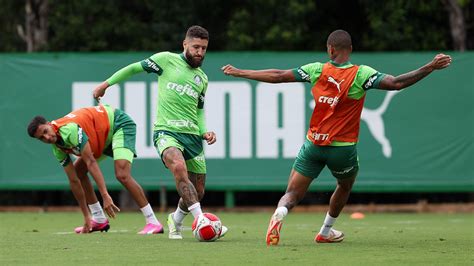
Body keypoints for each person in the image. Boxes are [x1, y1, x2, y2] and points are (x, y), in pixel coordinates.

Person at [222, 29, 452, 245]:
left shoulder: (317, 70)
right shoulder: (361, 74)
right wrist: (430, 66)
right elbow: (396, 83)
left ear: (330, 50)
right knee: (345, 184)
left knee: (292, 193)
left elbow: (279, 75)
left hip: (314, 144)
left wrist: (241, 72)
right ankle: (325, 232)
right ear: (349, 49)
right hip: (342, 149)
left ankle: (280, 212)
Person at [93, 25, 227, 240]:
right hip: (166, 131)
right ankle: (200, 218)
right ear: (185, 44)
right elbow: (133, 68)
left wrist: (205, 131)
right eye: (195, 47)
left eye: (203, 48)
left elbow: (199, 111)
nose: (200, 52)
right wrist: (106, 84)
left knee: (198, 190)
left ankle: (175, 220)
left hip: (192, 136)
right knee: (178, 166)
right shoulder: (166, 60)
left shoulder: (202, 78)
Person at [27, 104, 164, 234]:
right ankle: (98, 218)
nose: (47, 138)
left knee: (122, 175)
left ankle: (153, 221)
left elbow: (91, 162)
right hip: (100, 138)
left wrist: (105, 195)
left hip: (118, 124)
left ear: (49, 124)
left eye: (45, 131)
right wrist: (86, 216)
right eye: (41, 138)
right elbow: (74, 181)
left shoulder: (70, 130)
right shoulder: (57, 149)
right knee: (78, 171)